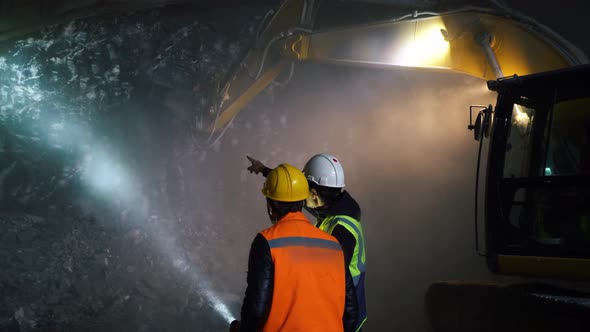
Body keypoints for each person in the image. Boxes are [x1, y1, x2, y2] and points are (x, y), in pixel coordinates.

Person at [247, 154, 367, 331]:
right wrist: (264, 170)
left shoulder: (342, 231)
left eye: (305, 189)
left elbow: (335, 280)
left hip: (341, 318)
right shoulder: (331, 209)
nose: (301, 197)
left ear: (314, 193)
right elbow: (290, 193)